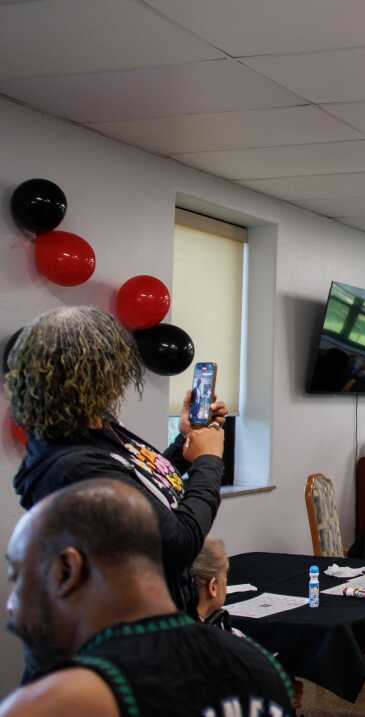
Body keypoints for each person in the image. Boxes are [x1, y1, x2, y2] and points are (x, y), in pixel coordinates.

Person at [0, 478, 295, 717]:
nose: (10, 604)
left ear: (67, 570)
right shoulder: (261, 668)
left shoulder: (59, 703)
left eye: (18, 575)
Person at [6, 307, 224, 621]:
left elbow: (144, 481)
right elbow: (178, 543)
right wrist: (208, 461)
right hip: (130, 632)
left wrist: (186, 440)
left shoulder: (98, 427)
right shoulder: (74, 466)